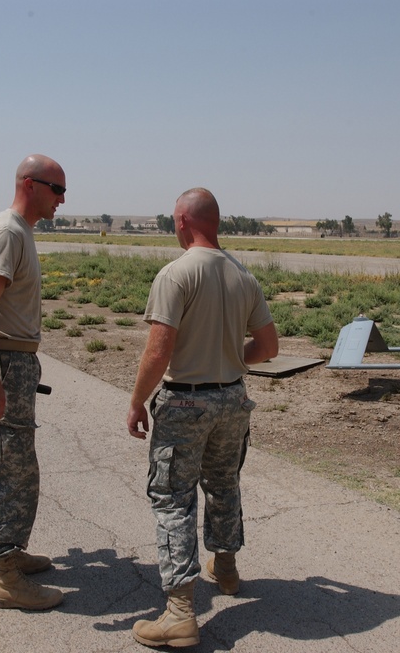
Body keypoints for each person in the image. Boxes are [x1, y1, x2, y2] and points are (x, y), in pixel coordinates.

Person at [126, 187, 279, 648]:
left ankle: (179, 612)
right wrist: (230, 360)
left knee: (173, 499)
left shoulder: (176, 274)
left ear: (183, 222)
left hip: (186, 403)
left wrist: (136, 401)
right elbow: (269, 348)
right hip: (232, 399)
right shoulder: (243, 275)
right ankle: (226, 568)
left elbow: (159, 350)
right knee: (223, 483)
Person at [0, 154, 66, 610]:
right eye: (57, 189)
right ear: (30, 184)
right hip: (2, 363)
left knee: (16, 467)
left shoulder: (20, 231)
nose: (62, 199)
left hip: (13, 362)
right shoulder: (8, 231)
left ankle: (5, 554)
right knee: (9, 471)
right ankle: (5, 576)